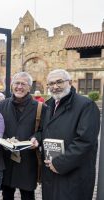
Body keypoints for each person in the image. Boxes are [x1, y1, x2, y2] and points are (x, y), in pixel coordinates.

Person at [32, 69, 100, 200]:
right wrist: (36, 138)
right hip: (51, 171)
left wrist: (60, 163)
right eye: (51, 83)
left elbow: (85, 141)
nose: (55, 86)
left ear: (70, 82)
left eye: (59, 82)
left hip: (73, 172)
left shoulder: (86, 105)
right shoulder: (49, 105)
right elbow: (43, 130)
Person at [0, 72, 46, 200]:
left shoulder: (40, 107)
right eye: (16, 83)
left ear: (29, 87)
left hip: (27, 160)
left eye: (23, 84)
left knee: (28, 194)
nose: (19, 87)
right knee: (7, 194)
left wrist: (37, 138)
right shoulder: (1, 105)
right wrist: (3, 139)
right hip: (6, 158)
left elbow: (43, 130)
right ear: (12, 85)